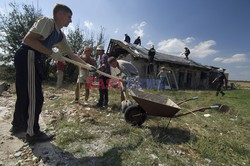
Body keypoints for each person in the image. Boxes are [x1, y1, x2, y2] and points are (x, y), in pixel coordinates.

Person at [11, 3, 87, 143]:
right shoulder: (47, 22)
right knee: (35, 97)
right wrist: (51, 53)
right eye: (69, 17)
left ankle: (18, 126)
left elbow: (71, 54)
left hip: (33, 57)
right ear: (60, 14)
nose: (71, 20)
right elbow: (28, 40)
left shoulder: (60, 36)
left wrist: (87, 65)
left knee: (26, 94)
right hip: (28, 55)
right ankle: (32, 133)